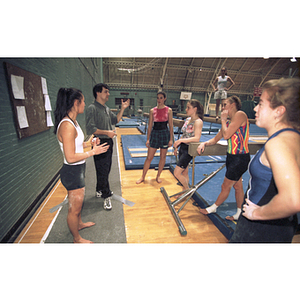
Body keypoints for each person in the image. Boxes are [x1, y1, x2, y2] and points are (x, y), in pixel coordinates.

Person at [230, 77, 300, 243]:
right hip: (282, 226)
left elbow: (293, 199)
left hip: (259, 229)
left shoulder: (278, 143)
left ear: (279, 111)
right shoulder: (293, 138)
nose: (255, 108)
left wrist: (257, 214)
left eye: (260, 103)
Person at [54, 88, 110, 243]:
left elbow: (76, 145)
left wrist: (89, 143)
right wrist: (93, 152)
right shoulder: (67, 126)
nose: (85, 104)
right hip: (72, 171)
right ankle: (77, 239)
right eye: (83, 101)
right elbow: (70, 157)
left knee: (78, 206)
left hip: (78, 169)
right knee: (74, 209)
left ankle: (78, 224)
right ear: (75, 103)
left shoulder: (73, 122)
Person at [197, 95, 250, 221]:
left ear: (232, 105)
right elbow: (216, 139)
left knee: (225, 186)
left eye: (225, 104)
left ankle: (214, 207)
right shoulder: (227, 123)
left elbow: (226, 135)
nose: (222, 107)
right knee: (237, 186)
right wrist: (204, 143)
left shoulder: (240, 114)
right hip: (231, 157)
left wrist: (223, 119)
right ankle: (239, 212)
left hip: (240, 158)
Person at [86, 83, 130, 210]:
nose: (108, 94)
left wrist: (122, 108)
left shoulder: (106, 108)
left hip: (108, 142)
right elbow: (90, 128)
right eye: (106, 91)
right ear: (98, 93)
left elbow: (115, 121)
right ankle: (106, 196)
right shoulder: (92, 108)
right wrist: (107, 132)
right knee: (103, 170)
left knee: (105, 170)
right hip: (100, 142)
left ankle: (99, 189)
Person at [136, 91, 174, 184]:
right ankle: (142, 177)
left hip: (164, 134)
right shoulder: (153, 111)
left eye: (161, 98)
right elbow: (149, 126)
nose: (159, 100)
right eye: (158, 98)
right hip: (155, 134)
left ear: (164, 98)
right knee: (149, 157)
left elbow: (171, 126)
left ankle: (158, 176)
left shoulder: (169, 110)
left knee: (163, 157)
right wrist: (148, 139)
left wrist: (171, 139)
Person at [173, 99, 204, 191]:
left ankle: (187, 189)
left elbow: (197, 138)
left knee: (177, 173)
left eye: (188, 108)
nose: (186, 109)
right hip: (182, 147)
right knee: (184, 172)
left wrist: (181, 140)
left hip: (189, 149)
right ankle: (184, 191)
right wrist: (177, 147)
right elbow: (184, 134)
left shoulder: (198, 122)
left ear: (195, 109)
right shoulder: (187, 120)